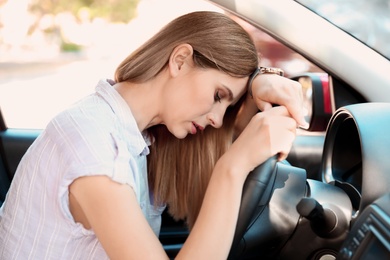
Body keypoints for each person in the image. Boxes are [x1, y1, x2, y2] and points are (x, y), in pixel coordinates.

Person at [0, 11, 307, 259]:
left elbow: (232, 125)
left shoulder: (141, 136)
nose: (217, 120)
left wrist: (260, 80)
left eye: (228, 106)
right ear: (180, 60)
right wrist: (233, 167)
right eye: (218, 95)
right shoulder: (95, 149)